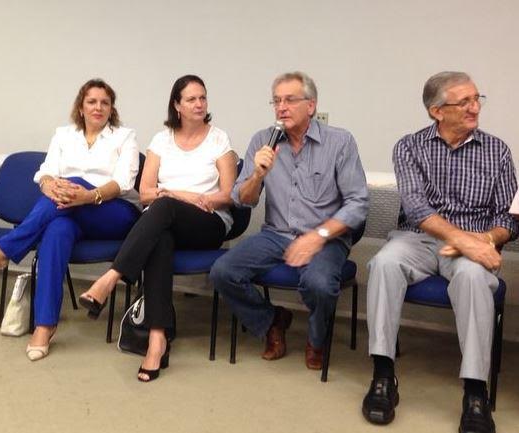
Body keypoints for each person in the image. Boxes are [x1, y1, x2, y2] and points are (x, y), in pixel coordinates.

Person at [361, 71, 518, 433]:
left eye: (477, 99)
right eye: (464, 102)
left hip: (475, 239)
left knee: (473, 276)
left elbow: (508, 217)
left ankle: (475, 393)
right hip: (418, 238)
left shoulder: (497, 150)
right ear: (437, 111)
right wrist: (463, 240)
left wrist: (486, 239)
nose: (474, 107)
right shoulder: (409, 147)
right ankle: (383, 375)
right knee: (384, 263)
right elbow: (417, 209)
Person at [0, 79, 141, 361]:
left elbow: (123, 182)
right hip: (67, 210)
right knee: (56, 230)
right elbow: (46, 172)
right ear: (81, 107)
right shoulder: (64, 135)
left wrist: (87, 195)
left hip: (113, 211)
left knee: (75, 181)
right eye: (92, 102)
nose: (98, 107)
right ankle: (44, 325)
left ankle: (3, 250)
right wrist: (48, 185)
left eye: (105, 102)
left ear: (111, 108)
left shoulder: (125, 137)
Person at [79, 74, 237, 382]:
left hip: (207, 222)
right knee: (160, 238)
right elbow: (145, 193)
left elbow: (228, 195)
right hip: (164, 222)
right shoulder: (161, 140)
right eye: (191, 99)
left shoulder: (219, 139)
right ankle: (156, 340)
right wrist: (174, 196)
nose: (199, 104)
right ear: (177, 105)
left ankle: (110, 278)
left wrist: (180, 196)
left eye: (203, 98)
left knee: (163, 207)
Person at [210, 71, 369, 370]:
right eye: (276, 101)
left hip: (326, 237)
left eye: (290, 100)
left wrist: (317, 237)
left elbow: (358, 204)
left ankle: (317, 339)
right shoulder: (263, 140)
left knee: (319, 283)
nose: (281, 107)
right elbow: (242, 199)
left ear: (311, 105)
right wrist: (257, 175)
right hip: (276, 234)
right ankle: (272, 321)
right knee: (222, 271)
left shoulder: (340, 142)